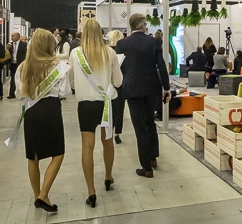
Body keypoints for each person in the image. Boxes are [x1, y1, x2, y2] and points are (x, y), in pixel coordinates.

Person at [15, 28, 70, 214]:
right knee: (58, 153)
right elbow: (64, 92)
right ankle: (43, 195)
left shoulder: (22, 67)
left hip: (31, 111)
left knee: (33, 157)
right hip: (51, 110)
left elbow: (18, 93)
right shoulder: (58, 66)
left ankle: (37, 195)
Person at [70, 19, 122, 208]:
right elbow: (118, 81)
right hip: (106, 104)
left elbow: (71, 81)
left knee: (87, 146)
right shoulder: (110, 53)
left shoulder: (75, 53)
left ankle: (91, 191)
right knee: (107, 141)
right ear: (101, 33)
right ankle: (108, 176)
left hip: (85, 105)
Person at [116, 13, 170, 178]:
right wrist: (166, 87)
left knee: (139, 127)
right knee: (150, 122)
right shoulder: (154, 42)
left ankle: (146, 167)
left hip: (132, 89)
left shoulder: (122, 44)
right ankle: (153, 158)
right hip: (151, 88)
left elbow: (119, 67)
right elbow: (161, 66)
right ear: (143, 25)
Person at [107, 30, 126, 144]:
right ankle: (117, 132)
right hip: (120, 83)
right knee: (119, 109)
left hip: (107, 83)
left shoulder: (107, 51)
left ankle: (108, 130)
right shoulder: (124, 52)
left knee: (108, 108)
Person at [7, 32, 28, 99]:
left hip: (20, 63)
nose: (12, 37)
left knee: (21, 78)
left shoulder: (24, 45)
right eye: (11, 36)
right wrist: (7, 48)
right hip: (13, 64)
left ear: (18, 37)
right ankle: (11, 94)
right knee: (12, 78)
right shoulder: (10, 45)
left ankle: (23, 92)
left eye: (13, 36)